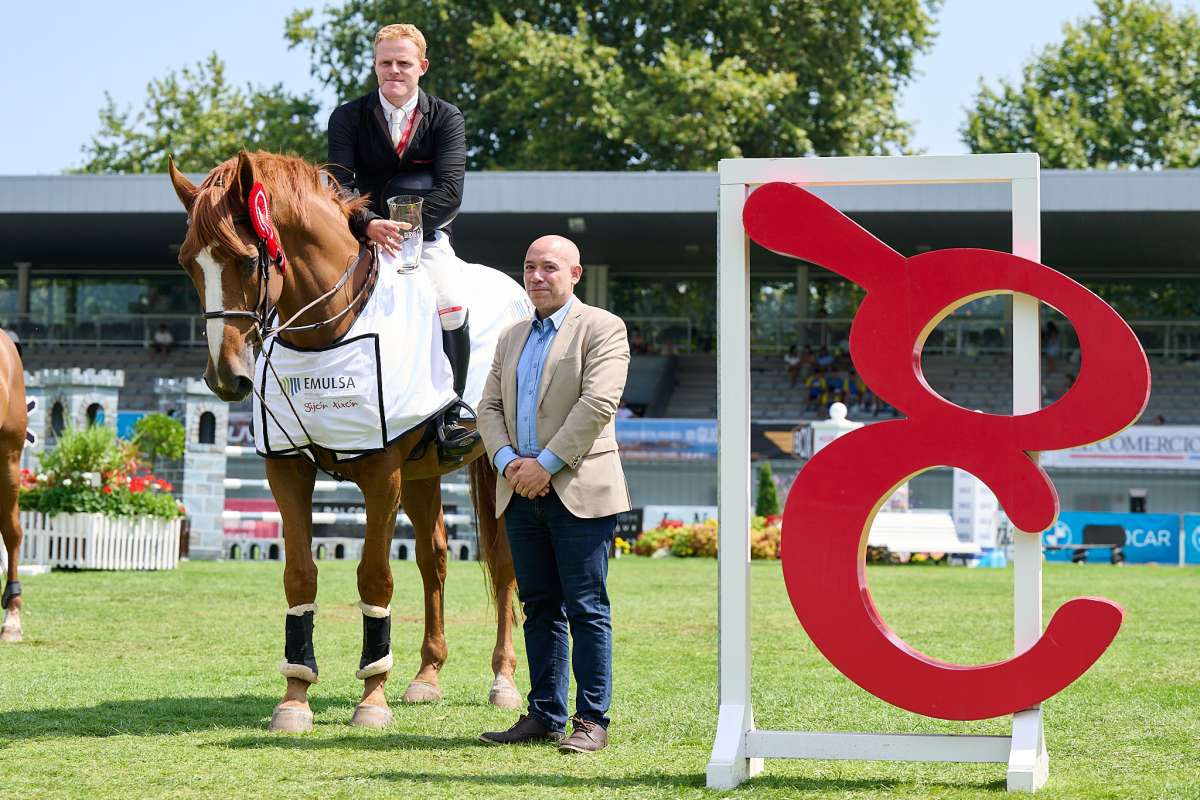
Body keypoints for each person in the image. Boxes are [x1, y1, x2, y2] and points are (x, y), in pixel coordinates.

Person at [476, 235, 630, 753]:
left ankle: (592, 720)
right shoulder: (511, 335)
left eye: (549, 268)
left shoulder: (603, 328)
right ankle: (544, 715)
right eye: (529, 268)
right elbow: (488, 408)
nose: (537, 277)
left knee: (586, 607)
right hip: (518, 490)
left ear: (575, 274)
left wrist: (544, 464)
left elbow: (598, 404)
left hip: (578, 490)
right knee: (539, 606)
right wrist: (506, 462)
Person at [326, 23, 477, 462]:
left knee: (452, 304)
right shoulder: (347, 116)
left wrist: (405, 228)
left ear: (422, 67)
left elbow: (450, 191)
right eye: (385, 62)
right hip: (360, 233)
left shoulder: (447, 117)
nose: (394, 70)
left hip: (427, 235)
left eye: (403, 63)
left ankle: (453, 408)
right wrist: (371, 224)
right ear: (375, 65)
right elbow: (338, 185)